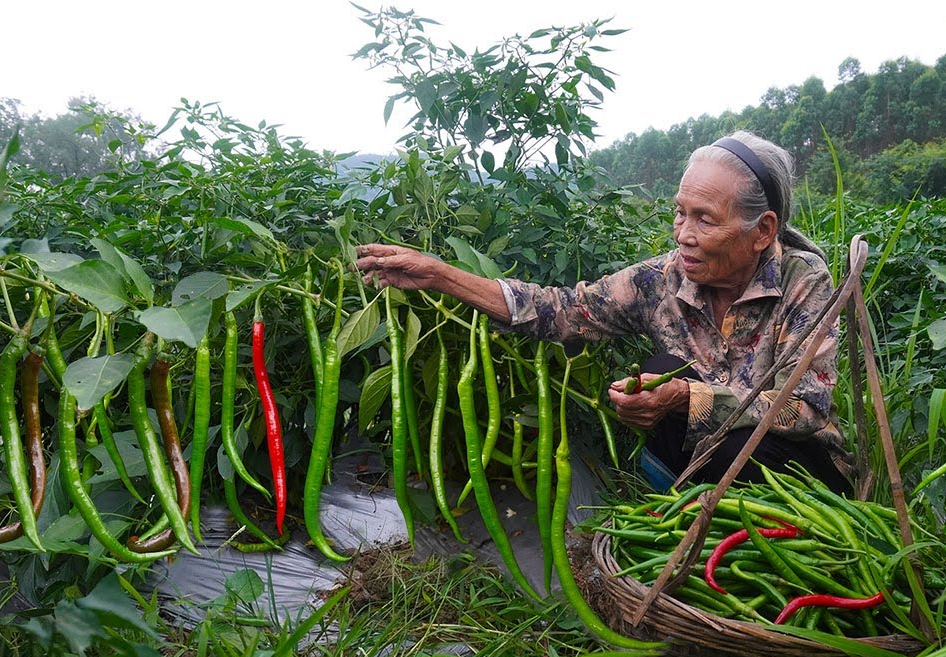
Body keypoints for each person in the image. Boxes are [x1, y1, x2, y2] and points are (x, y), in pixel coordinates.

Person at [356, 131, 852, 494]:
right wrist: (442, 275)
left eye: (705, 219)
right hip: (710, 457)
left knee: (715, 430)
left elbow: (804, 409)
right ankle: (677, 508)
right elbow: (565, 310)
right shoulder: (664, 278)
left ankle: (708, 516)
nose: (683, 233)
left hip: (793, 465)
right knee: (659, 376)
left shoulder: (802, 282)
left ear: (762, 231)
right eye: (680, 212)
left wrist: (689, 399)